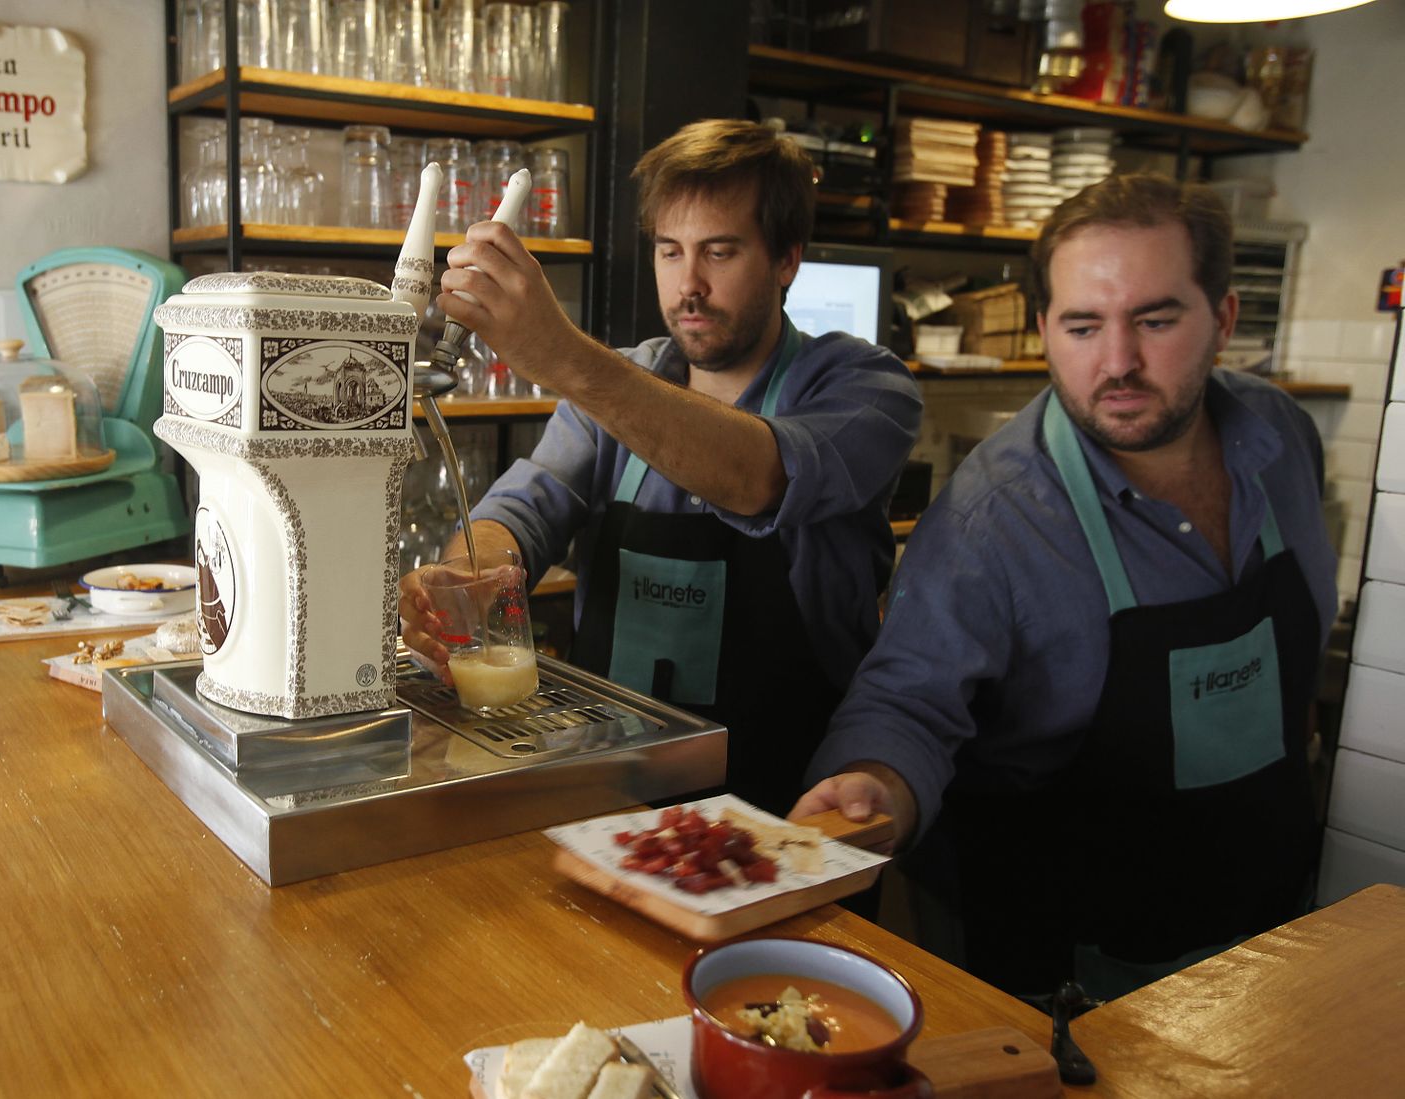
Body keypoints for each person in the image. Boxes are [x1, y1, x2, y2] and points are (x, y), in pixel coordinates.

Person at [791, 173, 1338, 1000]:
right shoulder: (995, 516)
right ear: (1045, 328)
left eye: (1155, 320)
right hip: (1087, 988)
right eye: (1083, 326)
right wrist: (876, 781)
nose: (1117, 362)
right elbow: (905, 702)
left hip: (1280, 947)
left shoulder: (1282, 437)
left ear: (1223, 318)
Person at [400, 119, 923, 816]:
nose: (689, 286)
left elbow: (759, 476)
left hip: (787, 803)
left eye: (721, 252)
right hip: (613, 793)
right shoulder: (625, 381)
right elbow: (523, 509)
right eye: (670, 252)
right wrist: (469, 574)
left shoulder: (866, 388)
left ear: (787, 258)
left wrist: (560, 353)